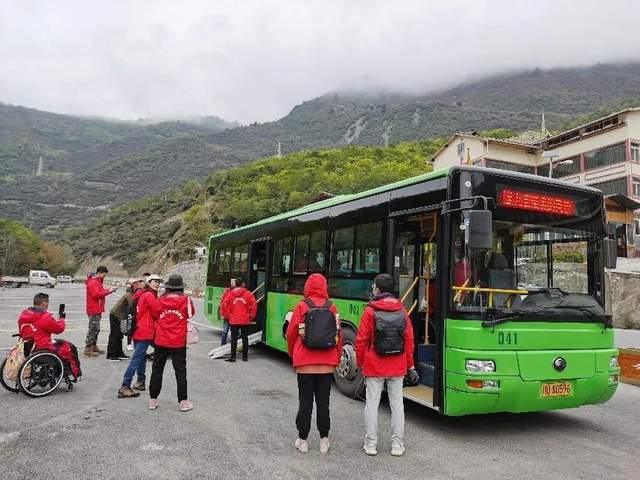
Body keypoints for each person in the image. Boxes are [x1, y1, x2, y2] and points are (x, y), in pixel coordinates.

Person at [355, 273, 417, 457]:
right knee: (397, 406)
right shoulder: (402, 310)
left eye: (374, 286)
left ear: (378, 289)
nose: (373, 289)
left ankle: (371, 444)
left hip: (374, 365)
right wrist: (410, 365)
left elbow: (361, 339)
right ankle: (397, 445)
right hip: (397, 365)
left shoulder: (370, 310)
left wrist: (360, 363)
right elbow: (409, 340)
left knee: (372, 405)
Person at [286, 273, 342, 454]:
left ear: (307, 287)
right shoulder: (332, 307)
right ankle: (324, 440)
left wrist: (293, 354)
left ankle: (302, 440)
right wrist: (336, 356)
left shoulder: (302, 306)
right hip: (326, 364)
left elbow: (291, 334)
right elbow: (338, 335)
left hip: (305, 363)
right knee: (323, 403)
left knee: (305, 403)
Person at [149, 274, 195, 412]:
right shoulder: (186, 300)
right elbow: (191, 313)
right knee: (180, 371)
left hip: (161, 339)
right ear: (181, 287)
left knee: (157, 369)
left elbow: (155, 315)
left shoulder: (160, 300)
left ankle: (153, 400)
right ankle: (183, 402)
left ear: (168, 287)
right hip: (178, 340)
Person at [18, 292, 82, 382]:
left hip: (27, 346)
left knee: (58, 342)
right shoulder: (44, 317)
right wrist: (62, 319)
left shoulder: (23, 315)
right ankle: (75, 373)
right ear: (44, 304)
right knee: (70, 347)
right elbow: (58, 329)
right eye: (47, 303)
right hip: (42, 347)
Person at [118, 274, 162, 398]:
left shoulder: (142, 294)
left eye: (158, 282)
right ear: (148, 282)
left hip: (138, 329)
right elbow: (157, 311)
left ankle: (141, 381)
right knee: (137, 359)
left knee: (141, 357)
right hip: (145, 331)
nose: (157, 284)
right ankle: (125, 386)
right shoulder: (149, 295)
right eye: (154, 281)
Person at [106, 277, 144, 361]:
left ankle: (119, 353)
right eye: (137, 285)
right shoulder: (129, 295)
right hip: (116, 315)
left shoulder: (134, 294)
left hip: (123, 317)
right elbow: (133, 306)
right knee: (115, 335)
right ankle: (111, 354)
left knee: (120, 335)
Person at [84, 266, 118, 357]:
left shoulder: (97, 282)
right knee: (93, 329)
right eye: (104, 275)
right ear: (100, 273)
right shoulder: (93, 282)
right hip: (93, 309)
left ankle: (93, 346)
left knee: (96, 329)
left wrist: (109, 290)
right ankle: (88, 349)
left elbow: (101, 292)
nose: (104, 276)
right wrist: (109, 291)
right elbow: (96, 295)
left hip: (97, 308)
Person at [220, 278, 256, 362]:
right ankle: (245, 357)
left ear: (236, 284)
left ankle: (233, 357)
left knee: (234, 339)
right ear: (242, 284)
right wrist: (251, 316)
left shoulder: (230, 293)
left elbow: (224, 304)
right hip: (245, 319)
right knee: (245, 338)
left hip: (234, 320)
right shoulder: (248, 294)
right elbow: (254, 304)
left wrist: (227, 315)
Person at [219, 278, 236, 346]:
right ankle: (223, 344)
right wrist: (222, 313)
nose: (231, 283)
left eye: (233, 282)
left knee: (233, 331)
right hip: (227, 315)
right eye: (231, 282)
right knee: (225, 331)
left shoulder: (236, 292)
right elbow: (222, 302)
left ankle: (232, 344)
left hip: (233, 315)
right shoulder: (227, 291)